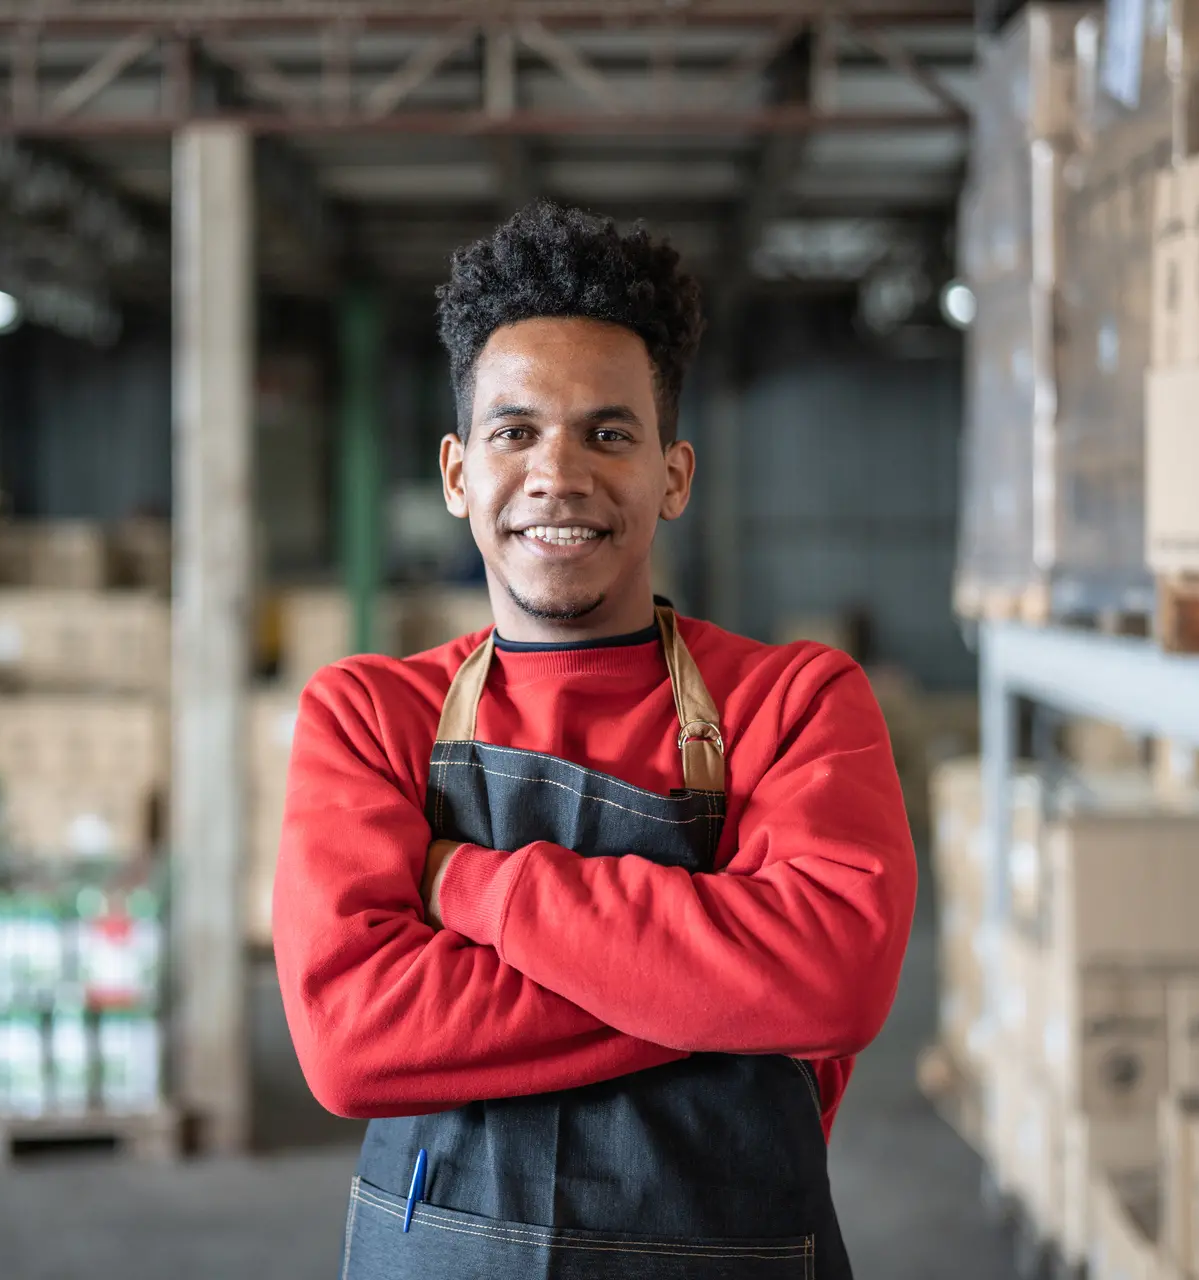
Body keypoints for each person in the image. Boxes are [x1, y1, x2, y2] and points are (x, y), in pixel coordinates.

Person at [273, 202, 916, 1279]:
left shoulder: (796, 700)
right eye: (514, 430)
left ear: (673, 473)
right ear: (456, 474)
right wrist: (719, 986)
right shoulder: (368, 714)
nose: (557, 473)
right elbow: (349, 1038)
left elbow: (832, 978)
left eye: (608, 432)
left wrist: (470, 890)